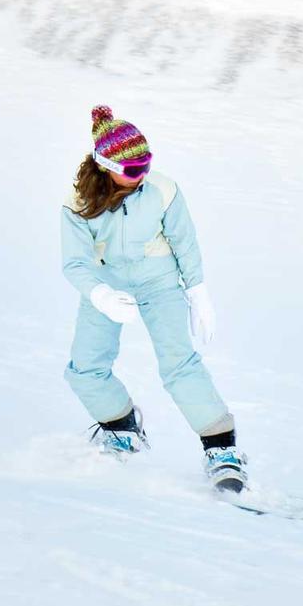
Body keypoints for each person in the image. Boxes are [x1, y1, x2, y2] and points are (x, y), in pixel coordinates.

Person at [60, 104, 246, 493]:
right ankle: (122, 429)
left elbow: (185, 241)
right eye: (132, 169)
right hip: (107, 286)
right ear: (104, 165)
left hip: (159, 283)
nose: (141, 174)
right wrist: (101, 294)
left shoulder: (162, 189)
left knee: (179, 365)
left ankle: (222, 451)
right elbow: (74, 262)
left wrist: (197, 292)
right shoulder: (78, 202)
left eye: (146, 163)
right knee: (84, 370)